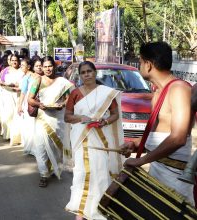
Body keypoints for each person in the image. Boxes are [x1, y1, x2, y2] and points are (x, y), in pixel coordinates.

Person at [121, 42, 195, 205]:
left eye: (140, 62)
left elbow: (178, 138)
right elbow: (159, 133)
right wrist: (135, 143)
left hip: (174, 175)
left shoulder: (178, 89)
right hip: (159, 169)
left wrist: (141, 160)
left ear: (148, 65)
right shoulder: (158, 92)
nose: (140, 65)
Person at [64, 61, 124, 219]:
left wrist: (105, 122)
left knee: (100, 171)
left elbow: (115, 115)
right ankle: (81, 210)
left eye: (89, 71)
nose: (87, 74)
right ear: (80, 75)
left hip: (100, 138)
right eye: (83, 72)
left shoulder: (106, 92)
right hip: (81, 138)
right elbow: (67, 117)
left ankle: (99, 208)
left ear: (95, 73)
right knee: (82, 173)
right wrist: (80, 117)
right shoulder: (75, 93)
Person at [27, 56, 74, 188]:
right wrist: (39, 104)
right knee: (41, 146)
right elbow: (30, 99)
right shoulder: (38, 80)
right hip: (43, 118)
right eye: (45, 66)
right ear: (42, 67)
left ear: (54, 66)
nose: (48, 69)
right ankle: (43, 174)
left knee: (55, 147)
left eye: (50, 66)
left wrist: (63, 104)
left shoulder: (62, 82)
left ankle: (53, 169)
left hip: (58, 118)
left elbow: (70, 97)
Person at [17, 58, 43, 155]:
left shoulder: (45, 77)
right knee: (30, 126)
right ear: (33, 67)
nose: (39, 68)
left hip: (42, 105)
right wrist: (19, 105)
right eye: (37, 66)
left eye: (41, 66)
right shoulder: (28, 77)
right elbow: (23, 93)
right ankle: (32, 148)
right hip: (30, 105)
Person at [0, 54, 24, 144]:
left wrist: (16, 85)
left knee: (17, 115)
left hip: (19, 95)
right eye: (12, 60)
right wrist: (7, 85)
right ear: (10, 61)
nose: (14, 62)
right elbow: (1, 82)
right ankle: (8, 134)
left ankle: (17, 136)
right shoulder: (5, 70)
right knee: (8, 115)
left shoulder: (22, 71)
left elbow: (24, 83)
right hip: (7, 94)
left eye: (16, 60)